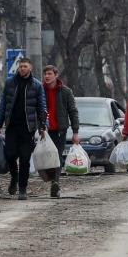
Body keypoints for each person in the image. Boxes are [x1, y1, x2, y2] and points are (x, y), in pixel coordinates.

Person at [0, 58, 47, 200]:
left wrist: (43, 126)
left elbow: (42, 107)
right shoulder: (10, 83)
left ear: (30, 68)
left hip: (28, 128)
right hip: (11, 127)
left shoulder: (36, 85)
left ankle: (22, 188)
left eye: (25, 66)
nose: (22, 68)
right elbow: (3, 105)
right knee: (10, 155)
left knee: (25, 159)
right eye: (20, 66)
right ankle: (14, 178)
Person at [42, 65, 79, 198]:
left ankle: (55, 183)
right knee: (46, 158)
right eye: (45, 74)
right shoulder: (40, 91)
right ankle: (51, 179)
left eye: (50, 74)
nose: (47, 76)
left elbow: (73, 112)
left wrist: (75, 131)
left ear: (56, 75)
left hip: (59, 130)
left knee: (56, 157)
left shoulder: (65, 92)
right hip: (43, 131)